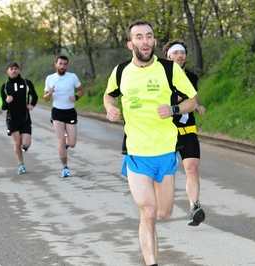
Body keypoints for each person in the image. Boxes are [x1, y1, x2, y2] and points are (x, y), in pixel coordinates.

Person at [103, 20, 197, 266]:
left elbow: (193, 101)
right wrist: (110, 108)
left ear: (154, 41)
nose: (145, 41)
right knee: (149, 212)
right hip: (136, 152)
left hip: (165, 150)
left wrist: (174, 108)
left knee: (164, 213)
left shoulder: (169, 69)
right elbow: (109, 95)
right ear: (130, 43)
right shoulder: (121, 71)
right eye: (139, 37)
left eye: (149, 36)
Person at [163, 39, 206, 226]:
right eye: (175, 53)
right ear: (168, 57)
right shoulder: (160, 77)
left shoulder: (191, 77)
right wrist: (176, 98)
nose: (180, 56)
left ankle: (194, 207)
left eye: (182, 53)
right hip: (166, 130)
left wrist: (198, 106)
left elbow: (194, 96)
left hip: (187, 128)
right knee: (166, 172)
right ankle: (159, 205)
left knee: (191, 168)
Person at [43, 55, 85, 178]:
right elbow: (45, 98)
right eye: (60, 64)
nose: (62, 66)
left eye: (65, 64)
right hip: (57, 112)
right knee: (60, 140)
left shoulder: (72, 77)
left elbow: (81, 90)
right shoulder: (50, 78)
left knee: (71, 144)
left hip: (70, 111)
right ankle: (65, 167)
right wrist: (49, 94)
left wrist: (76, 97)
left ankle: (67, 141)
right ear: (55, 64)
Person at [1, 62, 38, 174]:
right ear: (7, 71)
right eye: (11, 69)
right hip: (12, 118)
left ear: (19, 70)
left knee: (25, 143)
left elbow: (35, 96)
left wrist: (32, 105)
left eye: (16, 69)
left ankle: (24, 147)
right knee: (17, 143)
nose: (14, 71)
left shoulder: (27, 83)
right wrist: (6, 102)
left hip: (25, 117)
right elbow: (3, 106)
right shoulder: (5, 86)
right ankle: (21, 165)